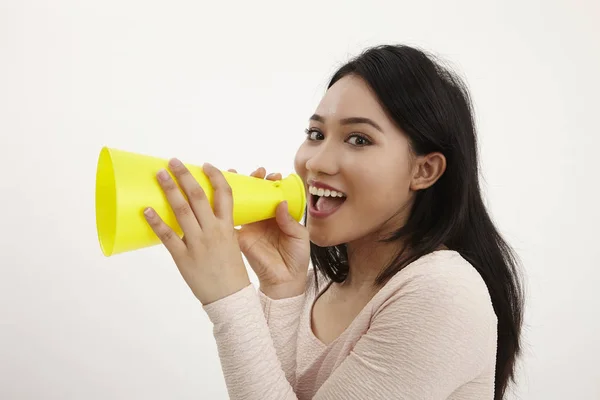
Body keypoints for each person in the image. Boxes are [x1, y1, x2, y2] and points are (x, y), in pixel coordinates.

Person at [142, 44, 524, 399]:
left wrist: (228, 297)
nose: (316, 162)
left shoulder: (443, 294)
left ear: (424, 170)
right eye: (316, 133)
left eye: (358, 139)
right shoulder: (321, 284)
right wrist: (282, 288)